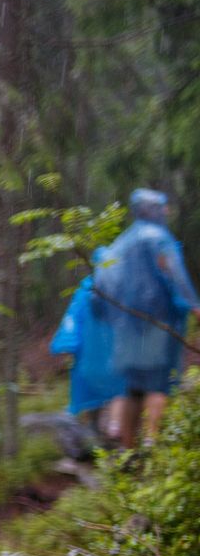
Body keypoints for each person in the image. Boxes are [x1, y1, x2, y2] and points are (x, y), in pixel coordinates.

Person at [94, 188, 199, 448]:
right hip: (158, 321)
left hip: (127, 325)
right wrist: (194, 305)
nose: (165, 211)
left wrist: (110, 316)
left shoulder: (124, 242)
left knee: (132, 387)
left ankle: (128, 448)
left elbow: (104, 281)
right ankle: (152, 441)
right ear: (152, 210)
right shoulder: (159, 238)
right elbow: (175, 274)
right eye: (162, 207)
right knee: (158, 382)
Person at [49, 248, 119, 440]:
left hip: (89, 357)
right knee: (115, 391)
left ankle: (101, 432)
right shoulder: (119, 291)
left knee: (94, 393)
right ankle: (109, 433)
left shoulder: (85, 290)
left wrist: (68, 344)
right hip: (109, 355)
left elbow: (71, 321)